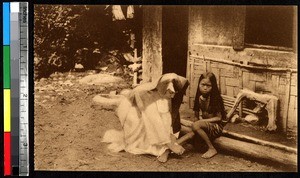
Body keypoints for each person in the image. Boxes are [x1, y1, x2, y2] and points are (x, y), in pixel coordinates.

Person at [102, 73, 189, 162]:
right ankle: (156, 146)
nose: (173, 96)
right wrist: (171, 145)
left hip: (144, 110)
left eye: (174, 93)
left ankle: (164, 145)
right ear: (164, 88)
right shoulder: (147, 95)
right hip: (130, 113)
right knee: (146, 132)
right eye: (171, 92)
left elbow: (169, 116)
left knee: (165, 117)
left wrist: (172, 134)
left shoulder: (163, 92)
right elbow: (154, 121)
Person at [191, 72, 227, 159]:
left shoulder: (216, 98)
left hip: (216, 127)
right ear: (199, 84)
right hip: (205, 126)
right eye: (203, 84)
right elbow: (196, 116)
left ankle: (211, 148)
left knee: (196, 126)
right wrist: (197, 123)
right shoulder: (198, 98)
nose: (205, 88)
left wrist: (200, 122)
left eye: (208, 85)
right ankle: (174, 146)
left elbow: (219, 118)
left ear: (213, 86)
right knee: (192, 132)